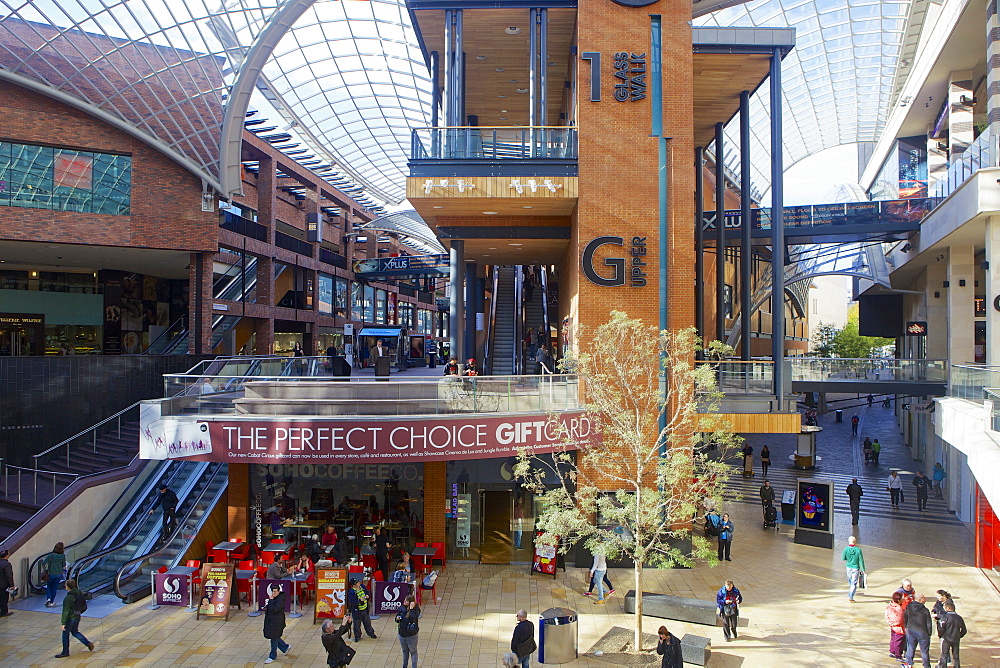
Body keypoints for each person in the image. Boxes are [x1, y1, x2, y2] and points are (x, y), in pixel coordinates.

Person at [54, 578, 93, 657]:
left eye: (65, 585)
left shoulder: (68, 598)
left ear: (68, 587)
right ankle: (87, 643)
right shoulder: (79, 593)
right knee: (75, 632)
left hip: (70, 618)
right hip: (77, 616)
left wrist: (63, 623)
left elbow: (65, 611)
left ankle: (65, 652)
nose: (65, 587)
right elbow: (84, 605)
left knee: (65, 634)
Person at [262, 583, 290, 664]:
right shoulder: (275, 599)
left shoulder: (280, 600)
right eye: (272, 592)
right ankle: (285, 647)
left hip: (277, 622)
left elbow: (274, 609)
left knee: (274, 638)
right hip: (271, 621)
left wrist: (270, 600)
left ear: (278, 591)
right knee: (275, 636)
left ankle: (272, 656)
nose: (273, 593)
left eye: (275, 592)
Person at [904, 594, 934, 668]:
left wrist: (906, 626)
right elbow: (928, 623)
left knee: (910, 647)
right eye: (924, 598)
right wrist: (929, 633)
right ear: (920, 599)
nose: (925, 599)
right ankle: (926, 665)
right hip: (922, 632)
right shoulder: (925, 610)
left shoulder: (908, 607)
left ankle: (909, 663)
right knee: (924, 651)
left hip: (910, 630)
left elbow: (905, 617)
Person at [937, 599, 966, 667]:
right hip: (956, 639)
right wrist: (958, 635)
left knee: (944, 654)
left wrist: (941, 635)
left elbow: (941, 628)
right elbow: (964, 630)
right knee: (956, 656)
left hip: (947, 639)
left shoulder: (945, 617)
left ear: (948, 608)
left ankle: (943, 666)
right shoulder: (959, 618)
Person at [395, 594, 420, 668]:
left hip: (411, 635)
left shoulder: (415, 610)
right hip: (402, 633)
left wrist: (411, 609)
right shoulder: (402, 608)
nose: (404, 602)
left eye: (406, 601)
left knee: (413, 651)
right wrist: (397, 618)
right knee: (405, 651)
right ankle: (404, 666)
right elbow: (397, 618)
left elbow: (413, 619)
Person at [841, 536, 866, 602]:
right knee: (854, 582)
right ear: (855, 542)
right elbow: (861, 560)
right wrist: (863, 569)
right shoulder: (858, 550)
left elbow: (843, 558)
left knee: (850, 580)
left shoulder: (846, 549)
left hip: (848, 567)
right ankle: (851, 596)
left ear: (849, 541)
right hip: (856, 568)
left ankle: (851, 591)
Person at [43, 542, 67, 607]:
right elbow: (64, 565)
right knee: (54, 588)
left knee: (49, 586)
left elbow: (43, 563)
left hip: (51, 573)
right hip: (59, 574)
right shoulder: (62, 556)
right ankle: (51, 602)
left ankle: (48, 598)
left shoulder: (50, 555)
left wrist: (45, 569)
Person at [886, 591, 907, 660]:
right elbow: (900, 619)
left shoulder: (890, 606)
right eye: (902, 598)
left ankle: (893, 651)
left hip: (893, 626)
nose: (904, 599)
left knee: (893, 639)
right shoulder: (899, 609)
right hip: (899, 628)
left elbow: (887, 615)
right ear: (898, 600)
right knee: (899, 642)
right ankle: (898, 655)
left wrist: (890, 623)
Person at [0, 549, 13, 617]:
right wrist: (12, 585)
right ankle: (4, 612)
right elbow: (9, 575)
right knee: (4, 599)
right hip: (3, 585)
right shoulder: (7, 564)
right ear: (7, 556)